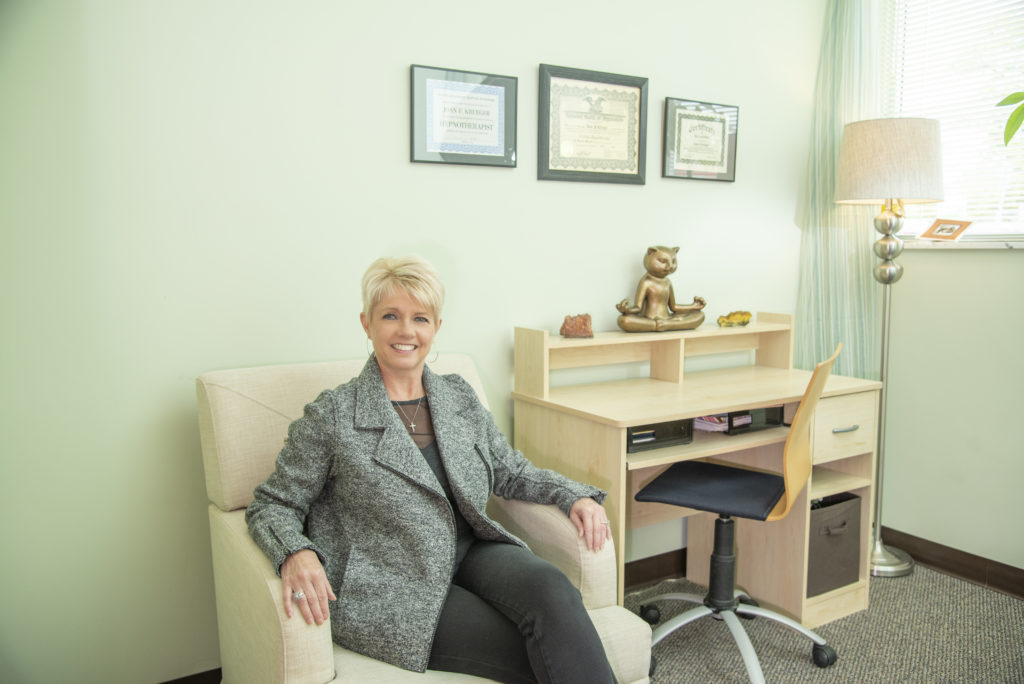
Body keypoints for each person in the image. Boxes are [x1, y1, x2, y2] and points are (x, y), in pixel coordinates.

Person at [246, 256, 617, 684]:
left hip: (471, 550)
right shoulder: (332, 415)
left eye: (420, 318)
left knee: (553, 591)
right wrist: (295, 551)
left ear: (436, 327)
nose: (406, 331)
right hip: (393, 582)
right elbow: (272, 504)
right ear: (367, 324)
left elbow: (509, 469)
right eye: (390, 316)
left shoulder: (457, 395)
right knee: (539, 648)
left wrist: (573, 495)